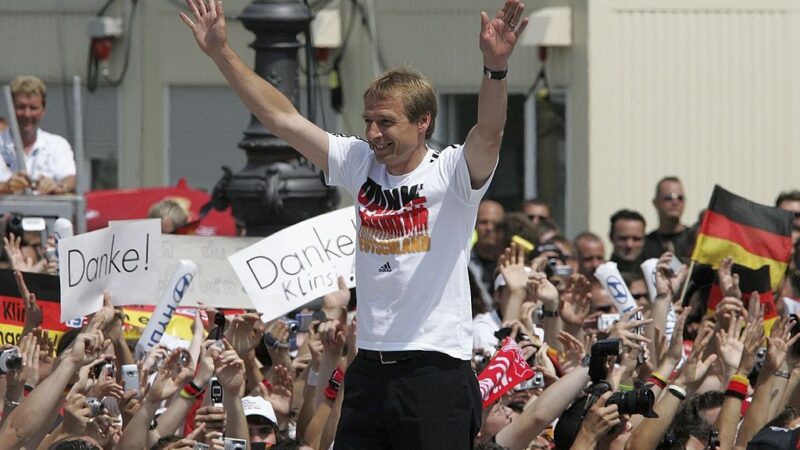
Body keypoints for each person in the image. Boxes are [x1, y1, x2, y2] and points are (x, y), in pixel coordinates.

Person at [180, 0, 529, 448]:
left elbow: (490, 132)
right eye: (368, 121)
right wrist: (221, 52)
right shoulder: (359, 162)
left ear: (423, 122)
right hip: (368, 367)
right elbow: (281, 118)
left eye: (386, 122)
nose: (374, 134)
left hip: (435, 369)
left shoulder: (453, 174)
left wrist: (495, 67)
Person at [0, 76, 76, 195]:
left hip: (47, 213)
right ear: (11, 108)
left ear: (43, 110)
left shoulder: (58, 145)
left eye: (33, 108)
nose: (27, 114)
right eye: (21, 107)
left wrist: (59, 186)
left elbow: (70, 178)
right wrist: (4, 187)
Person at [641, 176, 694, 260]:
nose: (675, 202)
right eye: (669, 198)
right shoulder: (644, 245)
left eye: (679, 198)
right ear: (655, 202)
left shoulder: (694, 240)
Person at [608, 209, 646, 275]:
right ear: (611, 237)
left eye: (636, 239)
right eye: (623, 238)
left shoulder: (654, 277)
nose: (629, 245)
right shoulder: (599, 277)